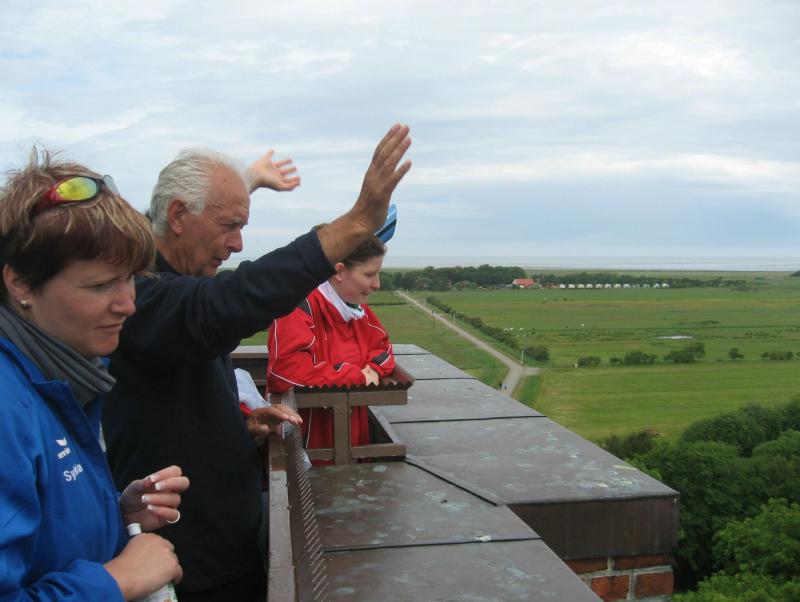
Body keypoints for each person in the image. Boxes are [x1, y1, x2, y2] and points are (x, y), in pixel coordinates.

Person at [102, 124, 412, 601]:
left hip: (221, 544)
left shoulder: (171, 286)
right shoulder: (141, 296)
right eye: (230, 226)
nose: (238, 245)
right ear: (178, 216)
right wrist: (355, 223)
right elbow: (228, 303)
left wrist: (238, 424)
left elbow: (177, 391)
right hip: (191, 565)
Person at [0, 150, 189, 601]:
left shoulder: (59, 375)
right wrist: (117, 580)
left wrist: (116, 516)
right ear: (21, 283)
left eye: (130, 278)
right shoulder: (8, 407)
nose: (129, 304)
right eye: (101, 285)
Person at [266, 233, 395, 454]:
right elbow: (284, 371)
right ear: (339, 271)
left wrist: (373, 370)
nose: (377, 284)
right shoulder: (298, 306)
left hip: (352, 439)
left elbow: (384, 350)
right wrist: (356, 377)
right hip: (306, 445)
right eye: (369, 274)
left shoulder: (357, 310)